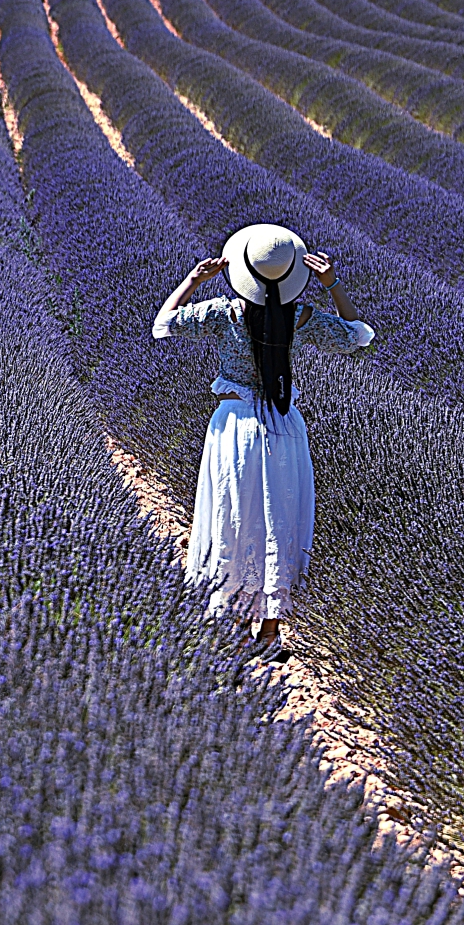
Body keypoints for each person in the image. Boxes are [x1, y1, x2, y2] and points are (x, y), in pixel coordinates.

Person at [151, 223, 373, 659]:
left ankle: (231, 626)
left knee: (233, 516)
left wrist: (194, 280)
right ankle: (270, 632)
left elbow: (164, 324)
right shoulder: (300, 317)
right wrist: (332, 285)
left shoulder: (223, 312)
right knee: (278, 521)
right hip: (282, 427)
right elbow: (359, 337)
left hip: (234, 429)